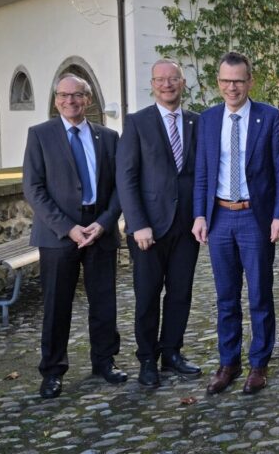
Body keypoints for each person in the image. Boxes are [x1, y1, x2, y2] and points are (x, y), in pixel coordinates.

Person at [192, 52, 279, 395]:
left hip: (255, 217)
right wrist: (200, 215)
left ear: (250, 81)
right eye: (225, 81)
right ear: (218, 82)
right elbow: (202, 172)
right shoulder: (208, 120)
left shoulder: (269, 117)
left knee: (260, 294)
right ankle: (228, 363)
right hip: (219, 217)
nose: (231, 87)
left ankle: (259, 364)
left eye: (238, 80)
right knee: (226, 296)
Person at [23, 74, 126, 399]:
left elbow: (121, 186)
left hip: (99, 230)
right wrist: (68, 227)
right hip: (58, 235)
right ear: (56, 100)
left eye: (77, 95)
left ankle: (104, 361)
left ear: (88, 99)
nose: (71, 100)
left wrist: (105, 223)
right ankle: (53, 371)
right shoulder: (40, 135)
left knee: (104, 301)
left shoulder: (108, 137)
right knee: (57, 304)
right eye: (64, 95)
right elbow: (33, 188)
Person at [116, 59, 201, 387]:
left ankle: (172, 353)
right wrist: (137, 223)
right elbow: (126, 177)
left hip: (186, 226)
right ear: (152, 85)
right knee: (147, 295)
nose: (167, 84)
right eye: (160, 79)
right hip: (148, 229)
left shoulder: (196, 122)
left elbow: (201, 173)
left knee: (180, 293)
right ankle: (147, 358)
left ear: (182, 83)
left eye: (173, 79)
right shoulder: (137, 123)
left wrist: (201, 216)